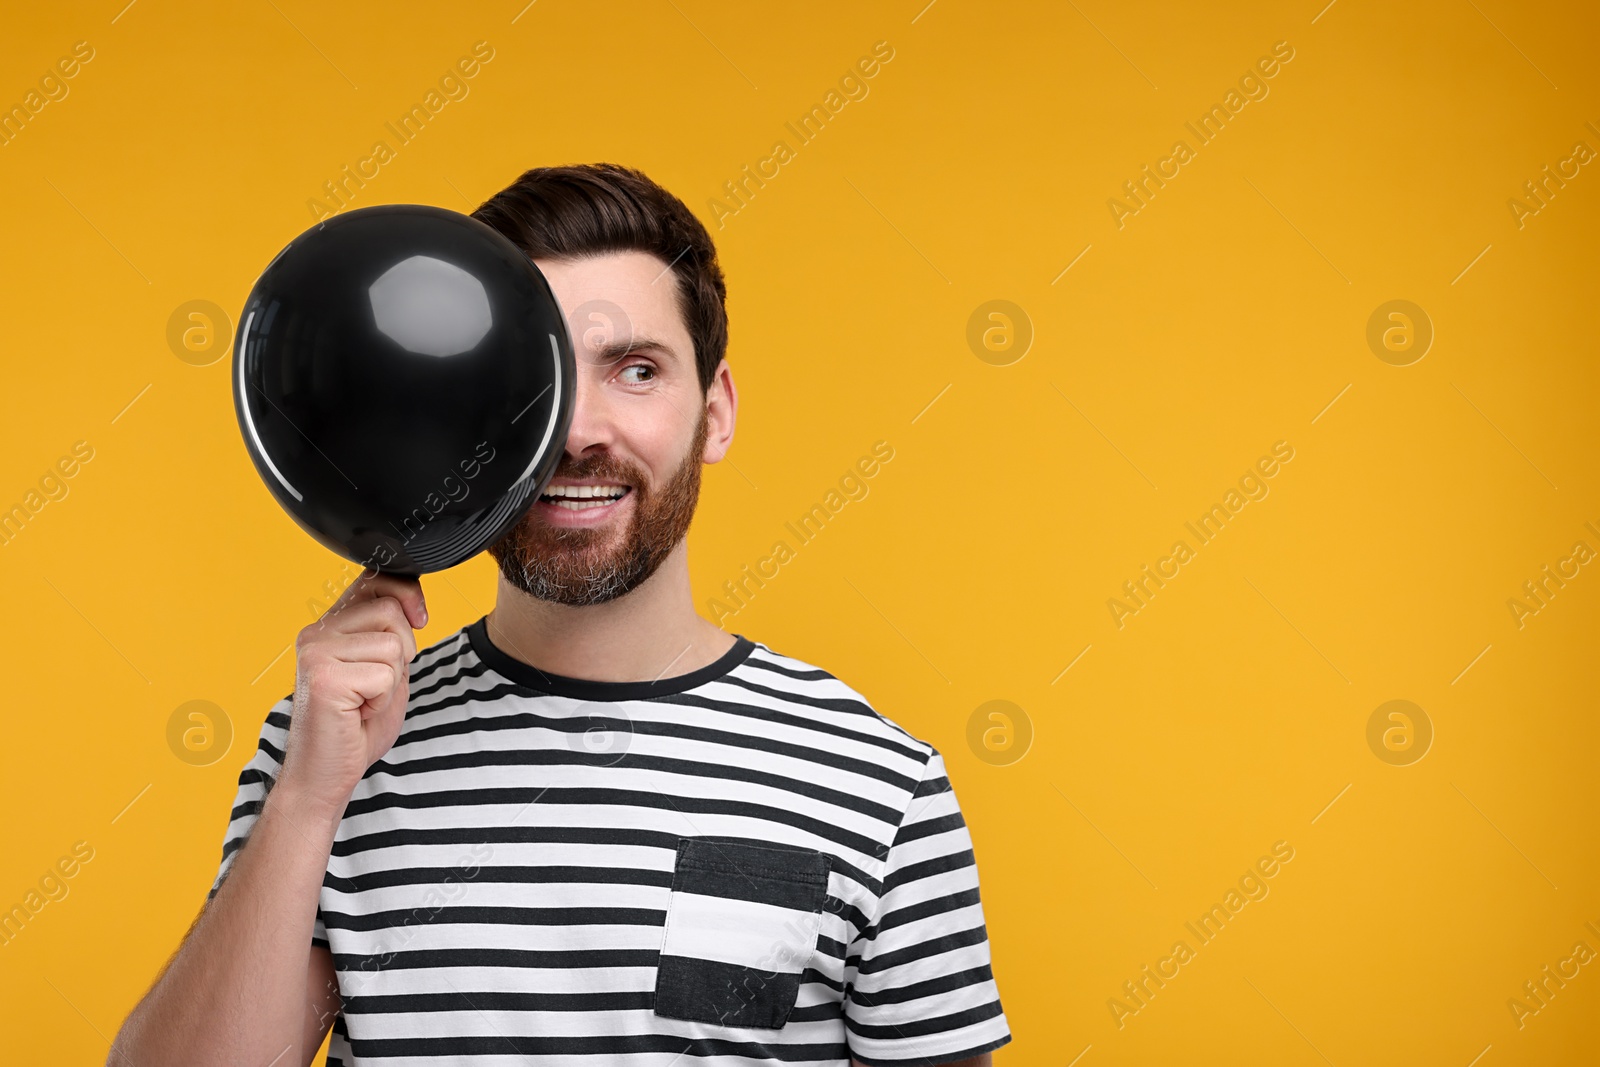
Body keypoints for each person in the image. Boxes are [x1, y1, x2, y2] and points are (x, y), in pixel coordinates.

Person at [110, 163, 1011, 1067]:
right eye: (529, 377)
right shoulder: (326, 752)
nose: (576, 430)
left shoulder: (881, 784)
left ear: (716, 411)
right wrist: (308, 800)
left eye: (636, 369)